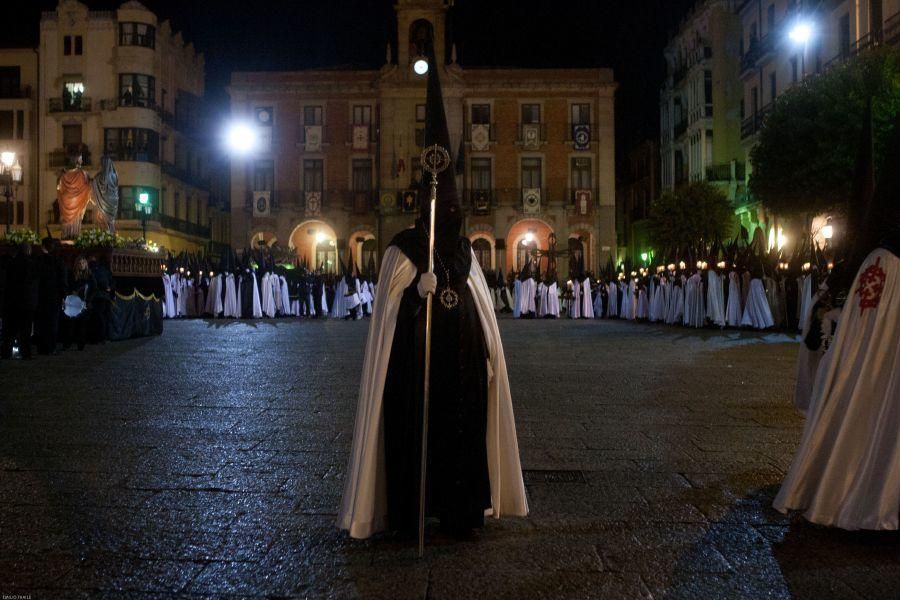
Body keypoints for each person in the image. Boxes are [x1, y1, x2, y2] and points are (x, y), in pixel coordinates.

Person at [338, 49, 527, 540]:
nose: (447, 216)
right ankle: (411, 511)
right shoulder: (402, 251)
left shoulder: (467, 256)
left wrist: (487, 355)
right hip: (413, 377)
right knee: (416, 441)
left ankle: (462, 510)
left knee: (459, 442)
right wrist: (411, 297)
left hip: (461, 379)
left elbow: (484, 318)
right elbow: (384, 326)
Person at [35, 237, 68, 355]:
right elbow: (63, 280)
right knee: (52, 323)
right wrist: (63, 296)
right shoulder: (58, 261)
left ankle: (42, 347)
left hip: (41, 296)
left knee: (42, 322)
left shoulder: (38, 260)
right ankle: (51, 347)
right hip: (54, 297)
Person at [62, 256, 95, 351]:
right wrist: (71, 292)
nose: (81, 265)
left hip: (83, 302)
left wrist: (88, 300)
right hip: (72, 302)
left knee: (82, 325)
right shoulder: (72, 274)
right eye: (79, 263)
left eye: (83, 263)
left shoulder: (89, 275)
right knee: (70, 324)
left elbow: (94, 289)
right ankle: (67, 343)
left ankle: (81, 344)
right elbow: (67, 285)